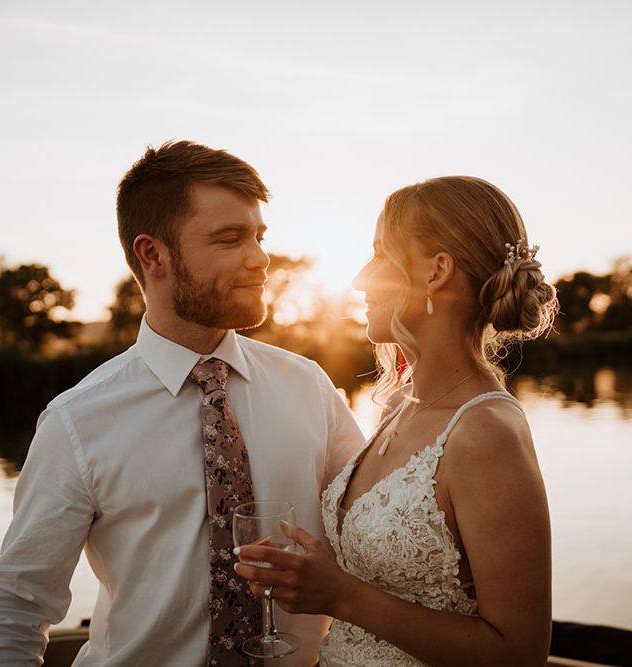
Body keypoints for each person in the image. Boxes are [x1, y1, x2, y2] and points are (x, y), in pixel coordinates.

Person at [0, 140, 365, 666]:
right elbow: (13, 604)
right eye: (230, 238)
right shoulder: (76, 422)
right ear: (152, 254)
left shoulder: (309, 387)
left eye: (259, 236)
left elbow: (371, 540)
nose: (260, 258)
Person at [235, 176, 558, 666]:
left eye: (381, 255)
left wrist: (341, 595)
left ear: (437, 272)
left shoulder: (485, 432)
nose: (361, 279)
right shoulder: (398, 405)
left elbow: (520, 652)